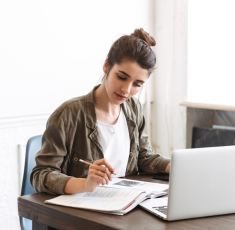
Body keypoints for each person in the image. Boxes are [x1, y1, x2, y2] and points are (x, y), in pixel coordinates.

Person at [31, 28, 171, 195]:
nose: (126, 90)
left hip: (121, 206)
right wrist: (84, 184)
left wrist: (180, 167)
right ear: (106, 66)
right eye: (121, 77)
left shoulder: (133, 109)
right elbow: (41, 175)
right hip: (78, 213)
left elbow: (145, 158)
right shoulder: (68, 115)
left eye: (137, 84)